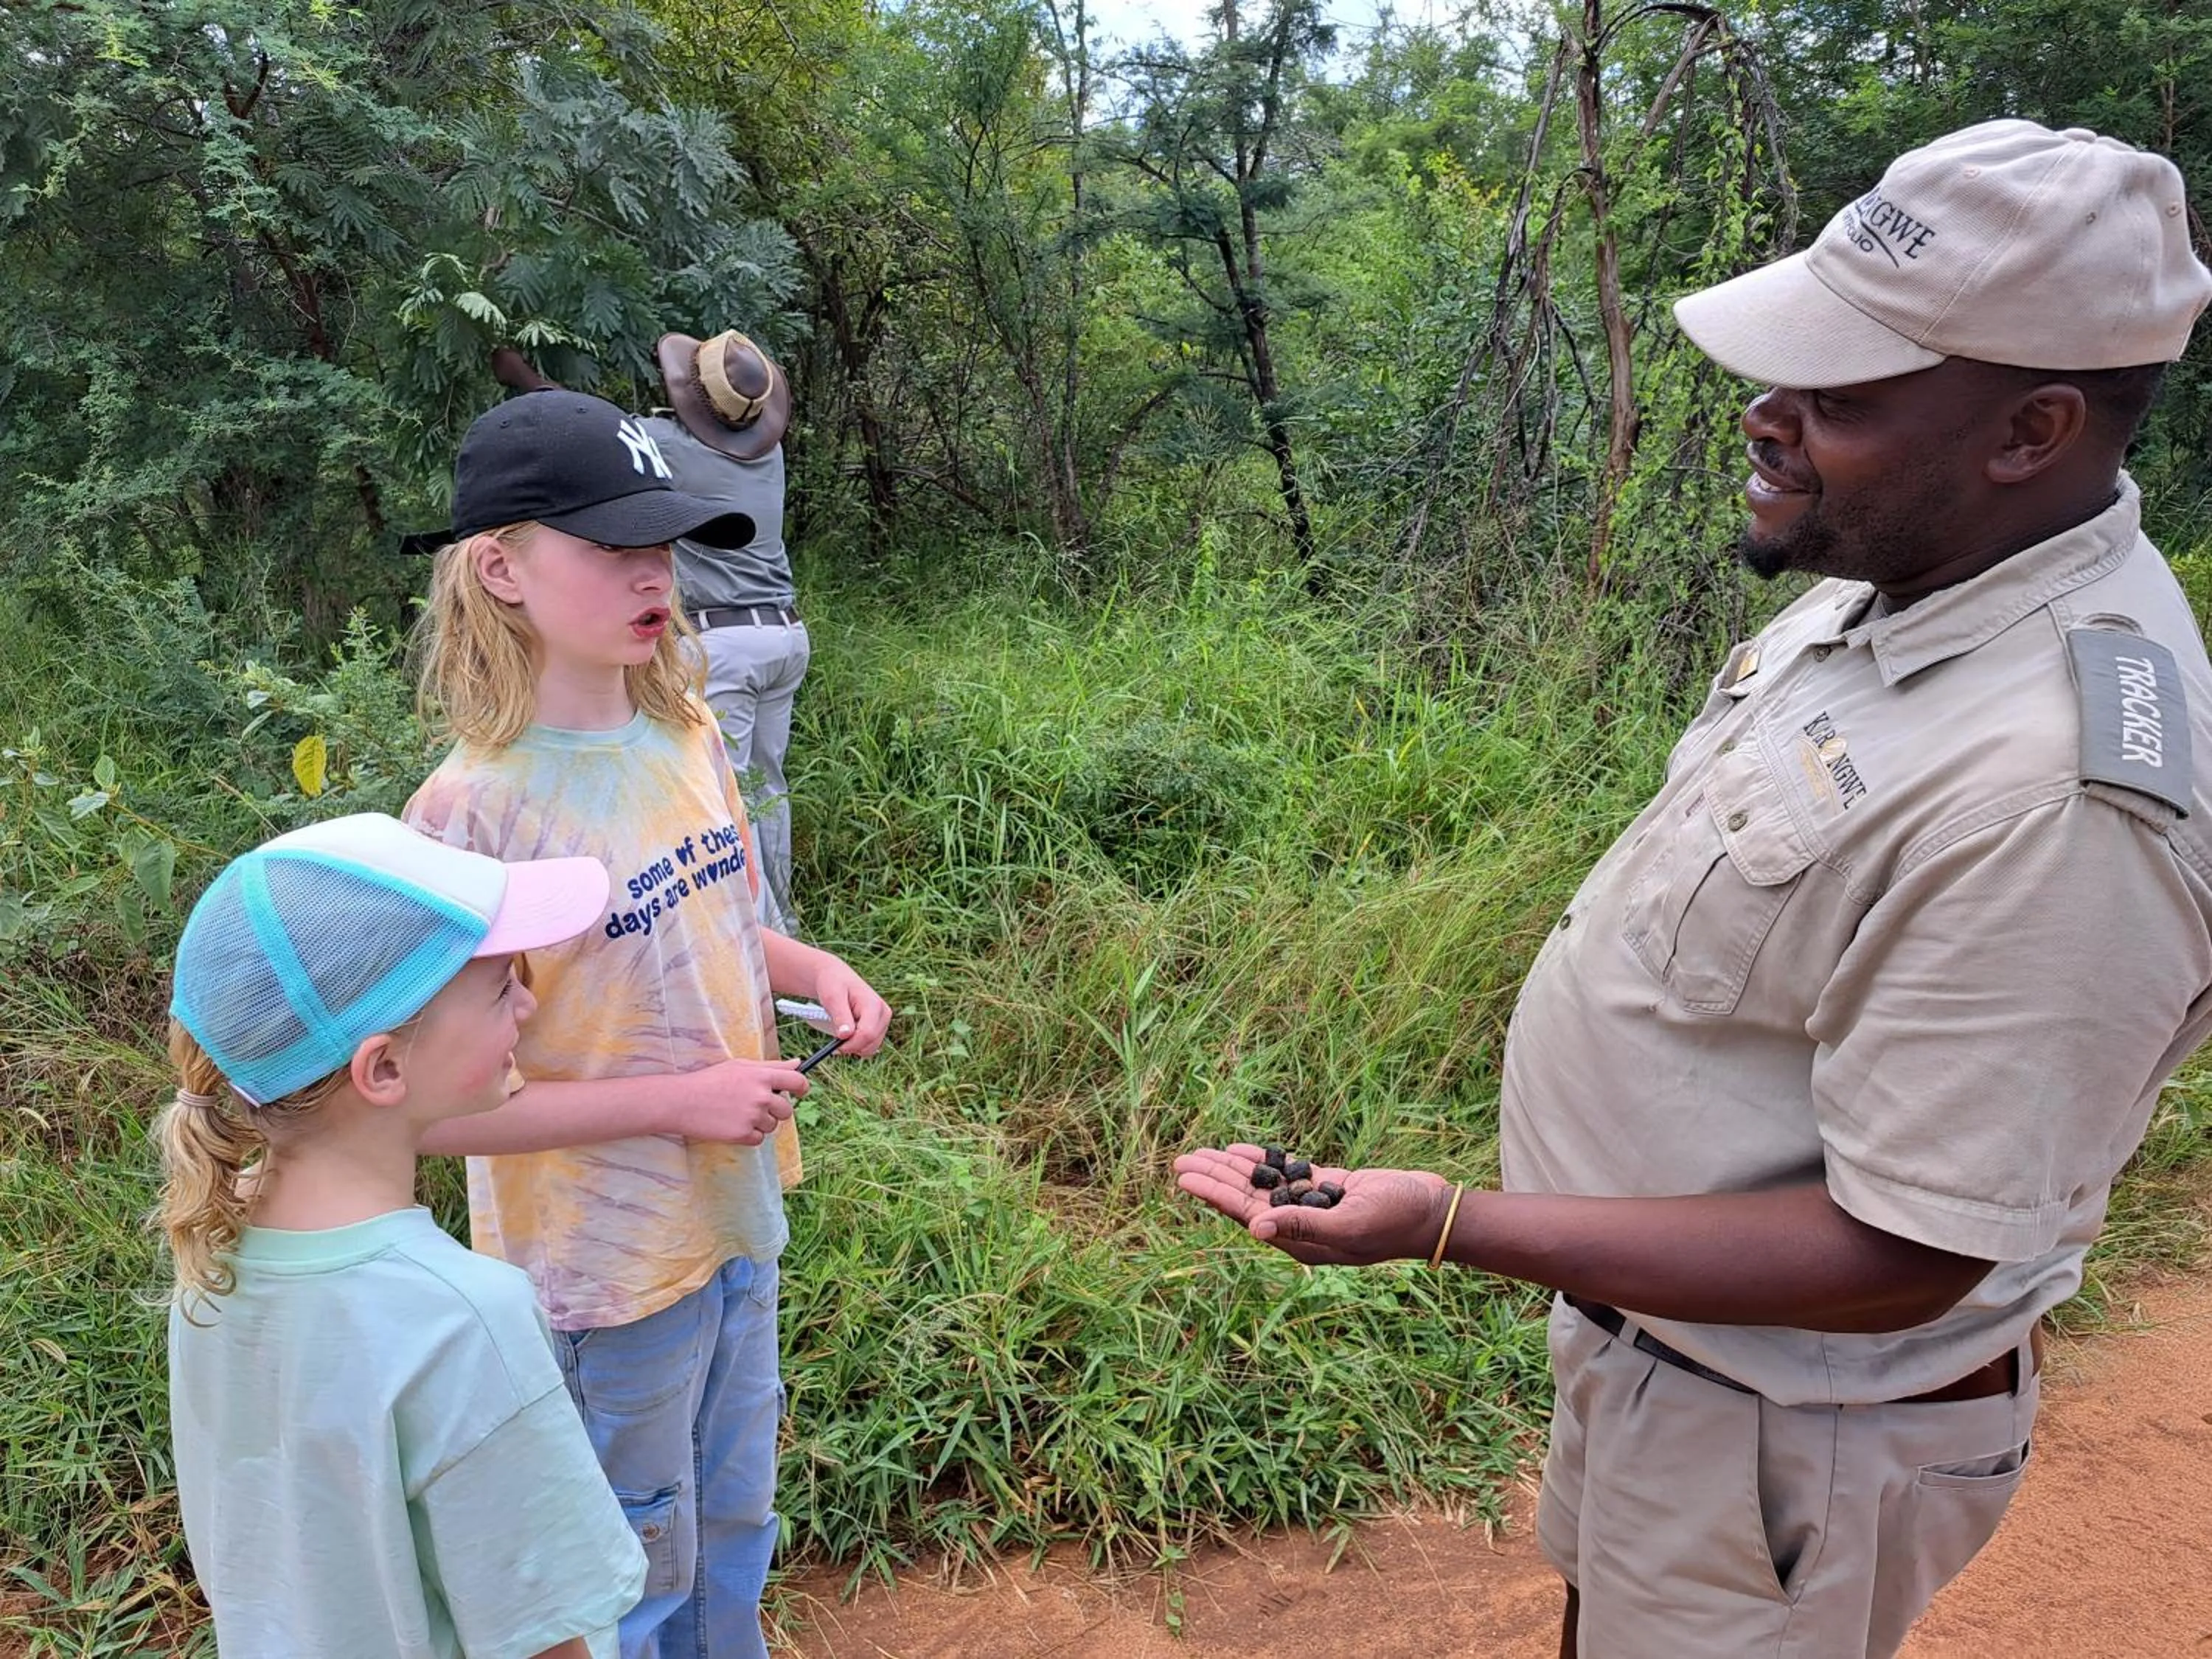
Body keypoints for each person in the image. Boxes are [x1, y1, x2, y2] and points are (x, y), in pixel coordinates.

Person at [1177, 119, 2212, 1658]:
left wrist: (1458, 1222)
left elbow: (1911, 1253)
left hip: (1789, 1429)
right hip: (1671, 1367)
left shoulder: (2063, 787)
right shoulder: (1902, 576)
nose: (1768, 416)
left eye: (1841, 395)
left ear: (2031, 429)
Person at [400, 386, 893, 1659]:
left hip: (735, 1215)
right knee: (633, 1561)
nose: (651, 575)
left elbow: (720, 920)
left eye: (659, 544)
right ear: (501, 567)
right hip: (604, 1278)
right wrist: (679, 1102)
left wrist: (809, 967)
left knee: (734, 1517)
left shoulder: (680, 731)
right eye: (611, 548)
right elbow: (446, 1113)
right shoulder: (467, 819)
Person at [159, 811, 647, 1658]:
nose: (529, 1004)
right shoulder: (464, 1317)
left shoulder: (213, 1247)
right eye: (500, 989)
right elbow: (545, 1639)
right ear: (382, 1068)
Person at [490, 335, 807, 935]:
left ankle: (754, 942)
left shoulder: (672, 448)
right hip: (785, 637)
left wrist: (523, 374)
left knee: (728, 796)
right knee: (768, 786)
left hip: (726, 644)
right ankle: (783, 921)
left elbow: (592, 428)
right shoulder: (769, 455)